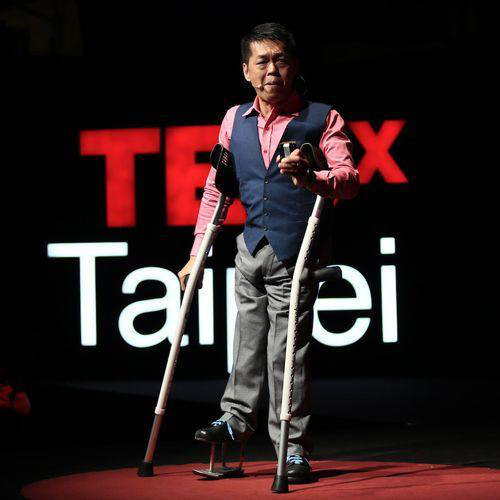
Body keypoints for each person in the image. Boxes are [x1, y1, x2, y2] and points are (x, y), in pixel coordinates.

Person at [178, 22, 359, 483]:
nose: (272, 70)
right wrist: (197, 253)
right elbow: (217, 190)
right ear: (246, 71)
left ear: (294, 66)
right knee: (246, 340)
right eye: (262, 61)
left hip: (297, 252)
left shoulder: (321, 117)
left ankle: (292, 449)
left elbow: (349, 179)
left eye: (280, 60)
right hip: (250, 248)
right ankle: (236, 420)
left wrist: (311, 177)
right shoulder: (233, 119)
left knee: (287, 352)